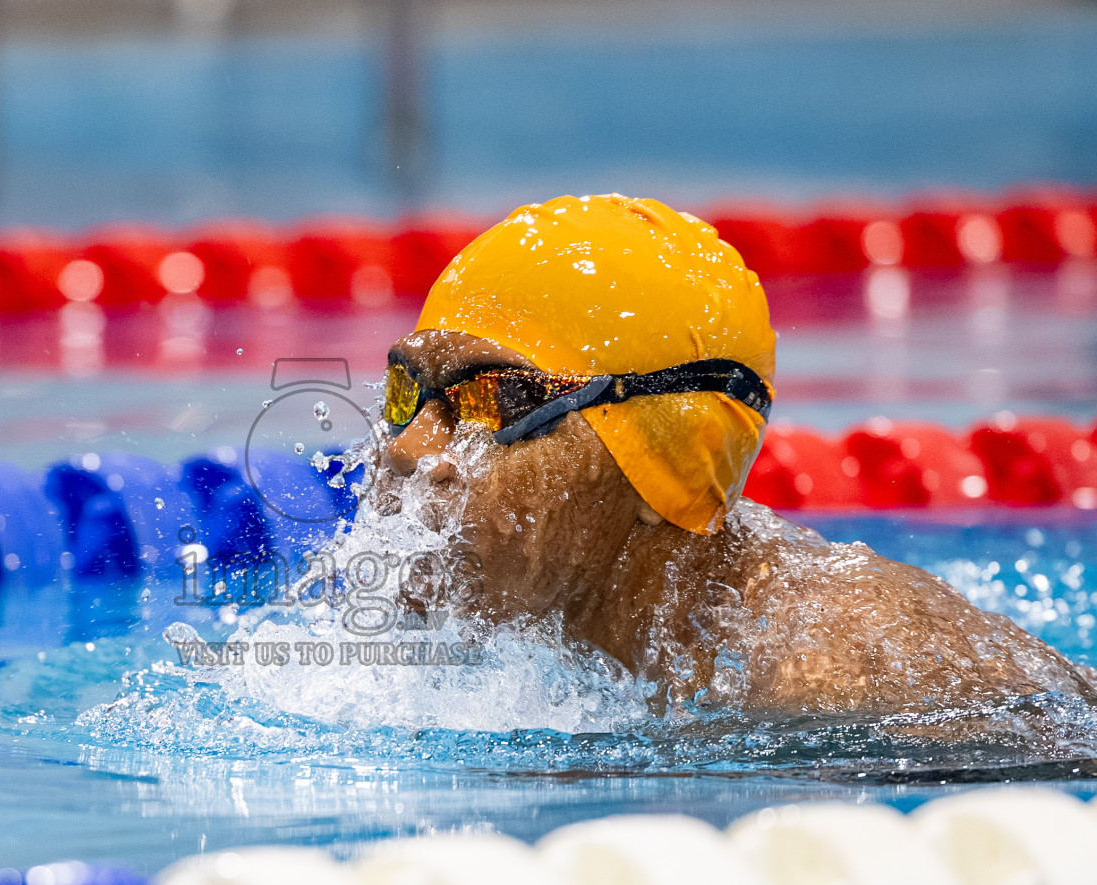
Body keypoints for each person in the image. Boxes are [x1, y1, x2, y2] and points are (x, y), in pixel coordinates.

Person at [371, 193, 1094, 715]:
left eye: (495, 400)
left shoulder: (839, 682)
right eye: (409, 390)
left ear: (671, 460)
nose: (409, 450)